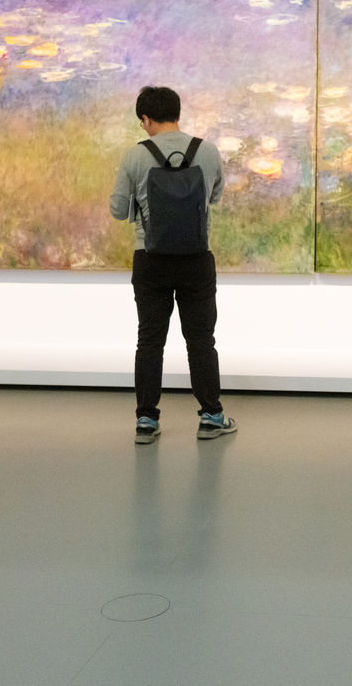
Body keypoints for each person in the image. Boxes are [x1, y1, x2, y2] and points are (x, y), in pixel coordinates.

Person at [109, 86, 235, 445]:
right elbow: (214, 197)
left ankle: (146, 420)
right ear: (177, 114)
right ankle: (211, 416)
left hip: (150, 260)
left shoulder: (135, 156)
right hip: (196, 259)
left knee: (150, 340)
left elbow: (118, 210)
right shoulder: (207, 151)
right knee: (201, 340)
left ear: (146, 119)